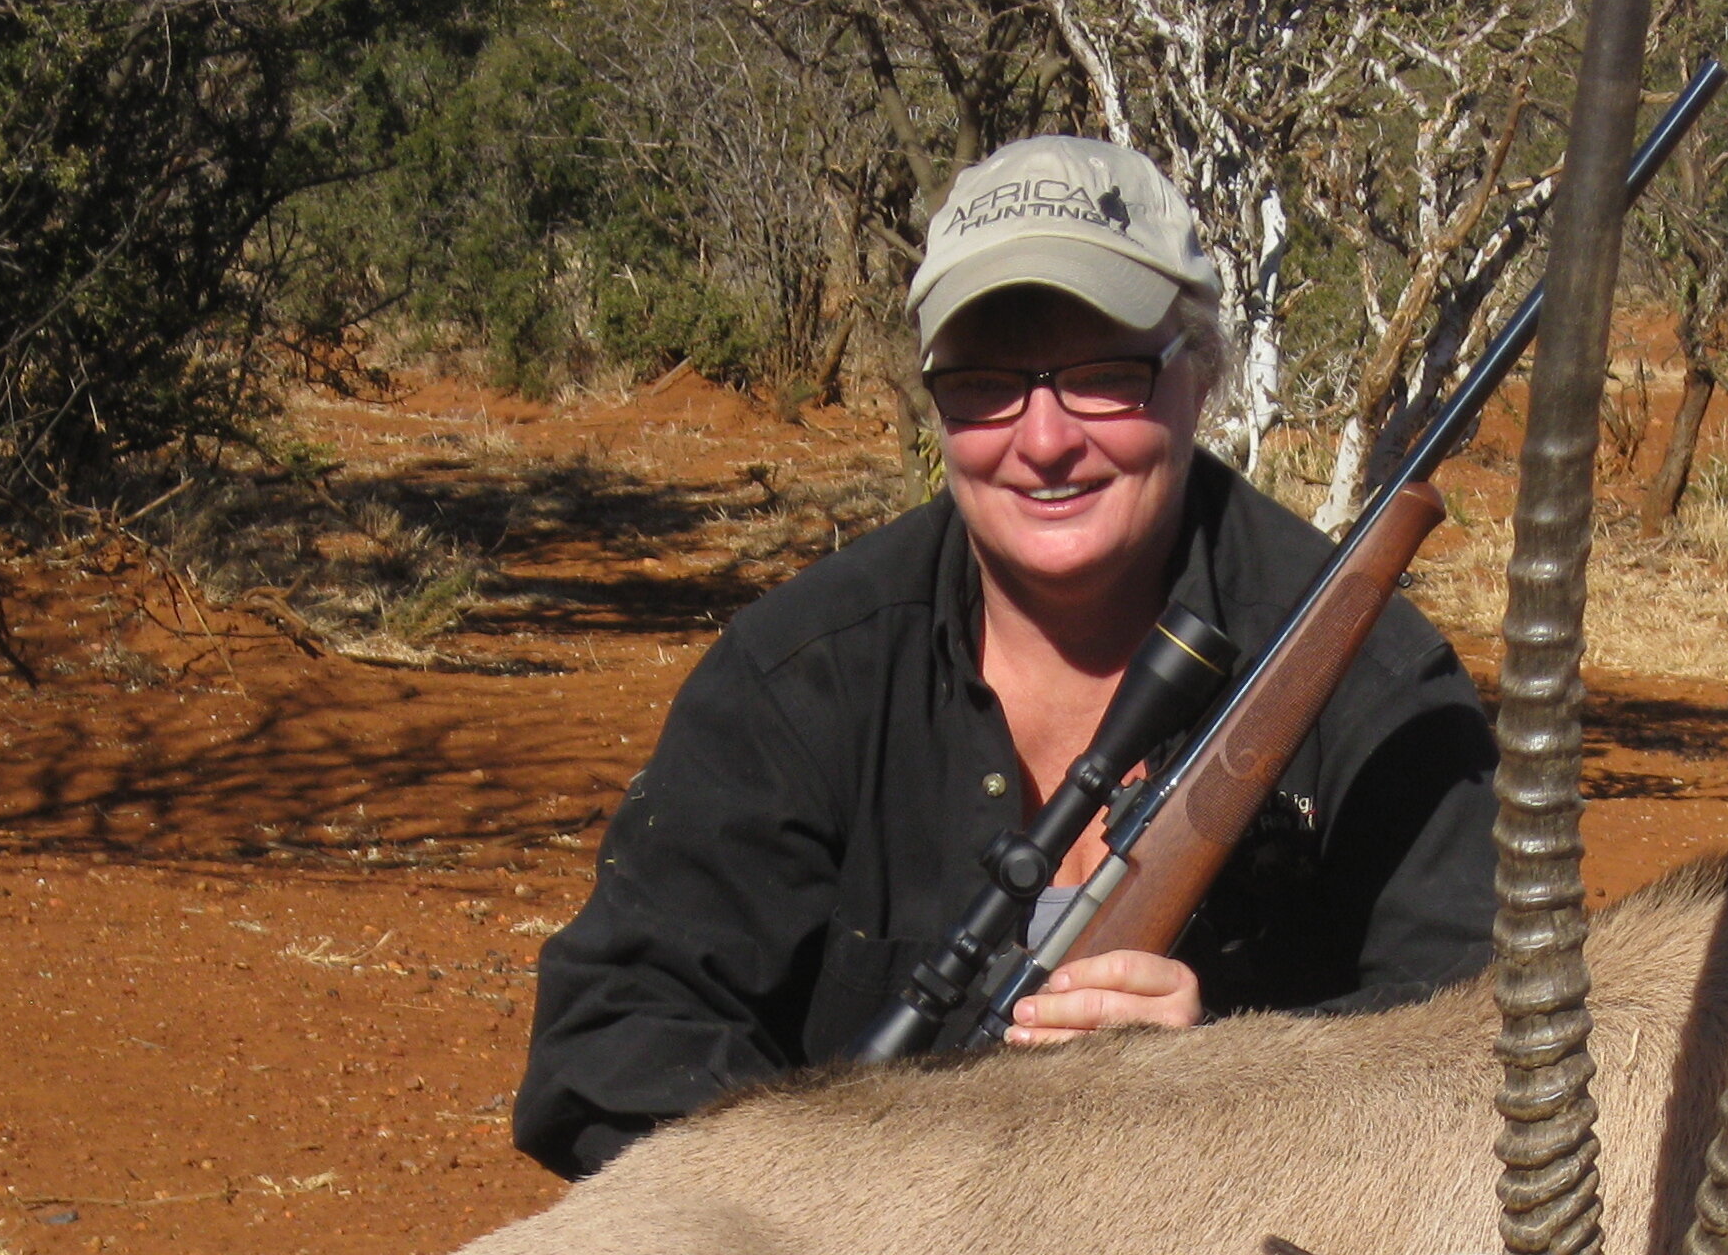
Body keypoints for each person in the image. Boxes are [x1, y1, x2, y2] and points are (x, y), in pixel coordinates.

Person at [514, 137, 1500, 1179]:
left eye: (1104, 376)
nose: (1042, 441)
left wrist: (1229, 1086)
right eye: (982, 385)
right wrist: (836, 1192)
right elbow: (611, 1038)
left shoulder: (1373, 681)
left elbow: (1488, 1059)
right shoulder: (806, 669)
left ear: (1198, 376)